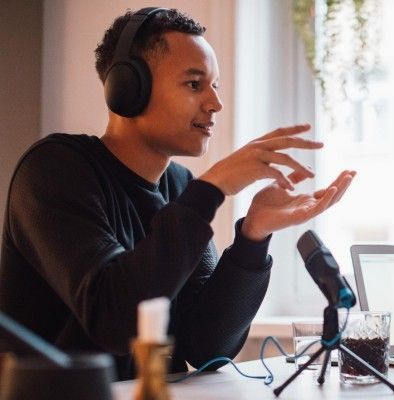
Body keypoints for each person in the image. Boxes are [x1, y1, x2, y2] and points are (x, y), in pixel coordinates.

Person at [0, 8, 354, 380]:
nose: (215, 103)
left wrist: (253, 235)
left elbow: (206, 347)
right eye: (194, 84)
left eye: (215, 85)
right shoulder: (54, 170)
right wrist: (213, 187)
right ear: (128, 89)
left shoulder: (180, 186)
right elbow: (116, 319)